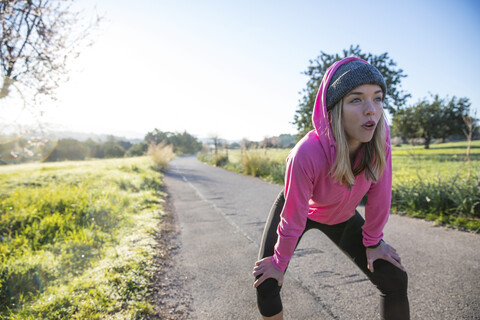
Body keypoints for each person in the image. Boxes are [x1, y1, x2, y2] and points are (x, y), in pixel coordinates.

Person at [252, 56, 410, 320]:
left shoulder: (380, 138)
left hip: (343, 217)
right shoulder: (306, 152)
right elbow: (293, 217)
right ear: (335, 108)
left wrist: (373, 242)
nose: (371, 109)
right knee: (266, 283)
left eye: (378, 98)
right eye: (356, 99)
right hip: (302, 211)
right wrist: (278, 264)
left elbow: (381, 193)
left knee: (394, 278)